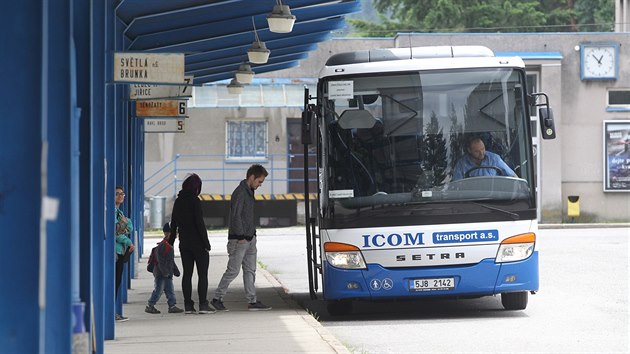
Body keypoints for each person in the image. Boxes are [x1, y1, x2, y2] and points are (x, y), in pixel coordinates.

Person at [211, 164, 272, 312]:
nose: (260, 185)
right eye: (259, 181)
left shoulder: (249, 191)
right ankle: (217, 299)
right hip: (240, 239)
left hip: (250, 238)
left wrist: (252, 235)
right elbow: (236, 215)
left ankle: (252, 301)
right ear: (252, 177)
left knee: (250, 270)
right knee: (233, 270)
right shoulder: (240, 193)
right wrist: (240, 236)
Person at [168, 173, 214, 314]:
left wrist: (170, 243)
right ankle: (203, 305)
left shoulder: (178, 201)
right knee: (202, 275)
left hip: (185, 244)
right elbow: (199, 223)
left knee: (187, 274)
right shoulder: (195, 201)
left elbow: (173, 224)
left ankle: (188, 305)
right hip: (198, 244)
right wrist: (206, 243)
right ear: (196, 187)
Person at [145, 222, 184, 314]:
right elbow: (160, 261)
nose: (176, 235)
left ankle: (172, 305)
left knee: (170, 291)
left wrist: (175, 270)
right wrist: (165, 272)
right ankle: (150, 305)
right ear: (168, 233)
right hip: (161, 274)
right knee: (158, 290)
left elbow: (170, 260)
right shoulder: (163, 245)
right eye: (174, 233)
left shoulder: (169, 245)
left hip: (167, 273)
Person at [452, 137, 516, 181]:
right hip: (471, 198)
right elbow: (457, 186)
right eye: (477, 151)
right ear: (469, 150)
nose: (481, 153)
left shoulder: (494, 159)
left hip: (495, 198)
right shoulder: (461, 164)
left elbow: (512, 176)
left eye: (483, 149)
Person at [115, 186, 135, 322]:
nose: (121, 196)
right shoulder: (113, 212)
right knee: (114, 282)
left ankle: (113, 311)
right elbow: (116, 232)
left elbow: (130, 227)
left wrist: (124, 228)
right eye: (117, 194)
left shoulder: (119, 213)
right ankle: (111, 312)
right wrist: (128, 241)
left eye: (122, 193)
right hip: (115, 251)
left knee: (117, 281)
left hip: (120, 251)